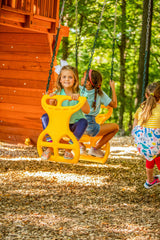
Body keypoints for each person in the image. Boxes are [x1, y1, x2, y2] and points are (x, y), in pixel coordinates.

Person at [41, 65, 90, 160]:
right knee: (45, 117)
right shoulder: (58, 93)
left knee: (84, 122)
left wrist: (80, 99)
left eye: (70, 77)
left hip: (73, 125)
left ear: (75, 80)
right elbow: (52, 110)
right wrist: (51, 100)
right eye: (64, 77)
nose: (67, 79)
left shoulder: (80, 93)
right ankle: (50, 146)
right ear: (60, 79)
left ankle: (68, 150)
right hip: (60, 124)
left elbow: (87, 110)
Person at [80, 69, 119, 157]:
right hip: (90, 128)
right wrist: (113, 87)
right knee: (115, 127)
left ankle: (81, 146)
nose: (81, 79)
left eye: (83, 77)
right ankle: (95, 148)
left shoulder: (78, 90)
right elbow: (114, 104)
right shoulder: (100, 93)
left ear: (88, 83)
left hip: (77, 126)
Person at [132, 82, 160, 189]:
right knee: (157, 152)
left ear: (146, 95)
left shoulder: (141, 107)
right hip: (154, 146)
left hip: (142, 145)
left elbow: (135, 125)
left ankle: (150, 181)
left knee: (151, 155)